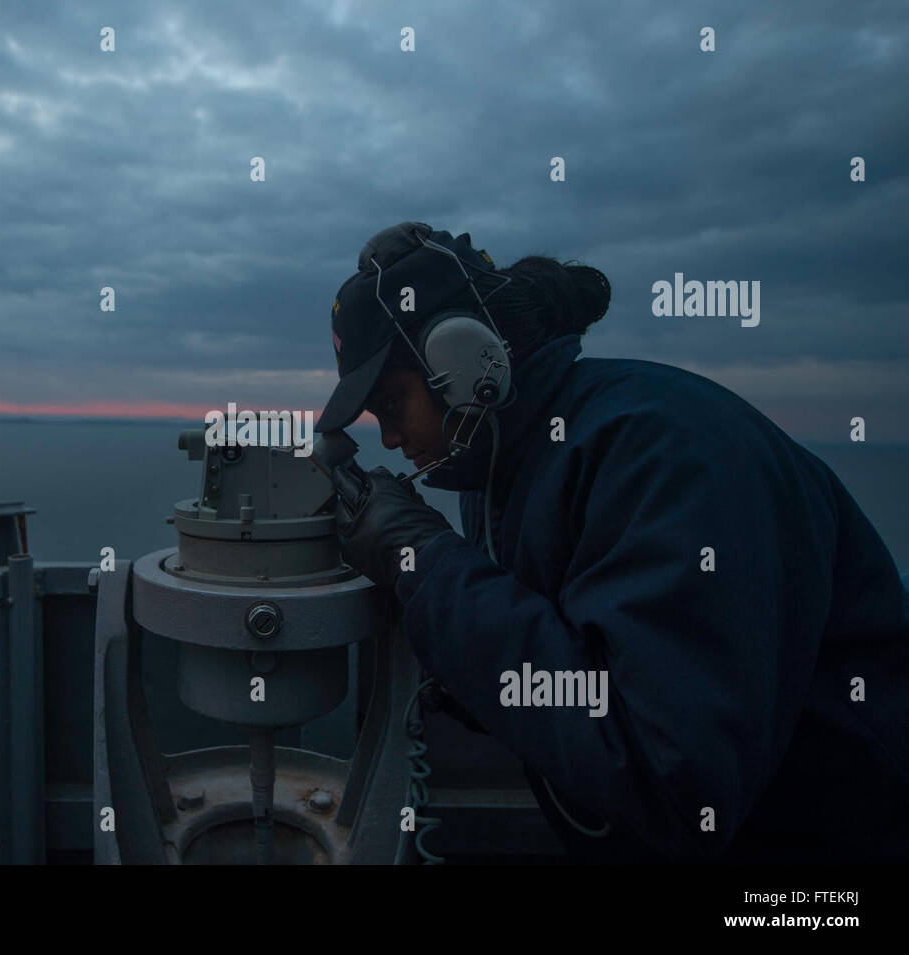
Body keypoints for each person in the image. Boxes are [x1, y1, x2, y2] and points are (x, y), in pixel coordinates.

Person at [316, 221, 909, 862]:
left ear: (463, 363)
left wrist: (427, 564)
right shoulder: (511, 464)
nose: (391, 440)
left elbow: (667, 780)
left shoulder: (663, 455)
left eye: (392, 406)